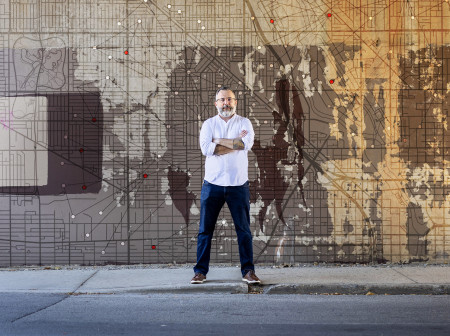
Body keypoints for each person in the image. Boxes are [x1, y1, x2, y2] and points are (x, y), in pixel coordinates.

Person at [191, 86, 261, 284]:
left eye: (229, 99)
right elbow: (206, 149)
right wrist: (234, 142)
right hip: (212, 184)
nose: (226, 103)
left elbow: (247, 144)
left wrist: (219, 142)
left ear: (235, 102)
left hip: (238, 185)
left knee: (244, 231)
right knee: (205, 230)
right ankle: (200, 272)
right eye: (222, 100)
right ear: (216, 103)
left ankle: (248, 271)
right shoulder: (209, 124)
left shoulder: (244, 122)